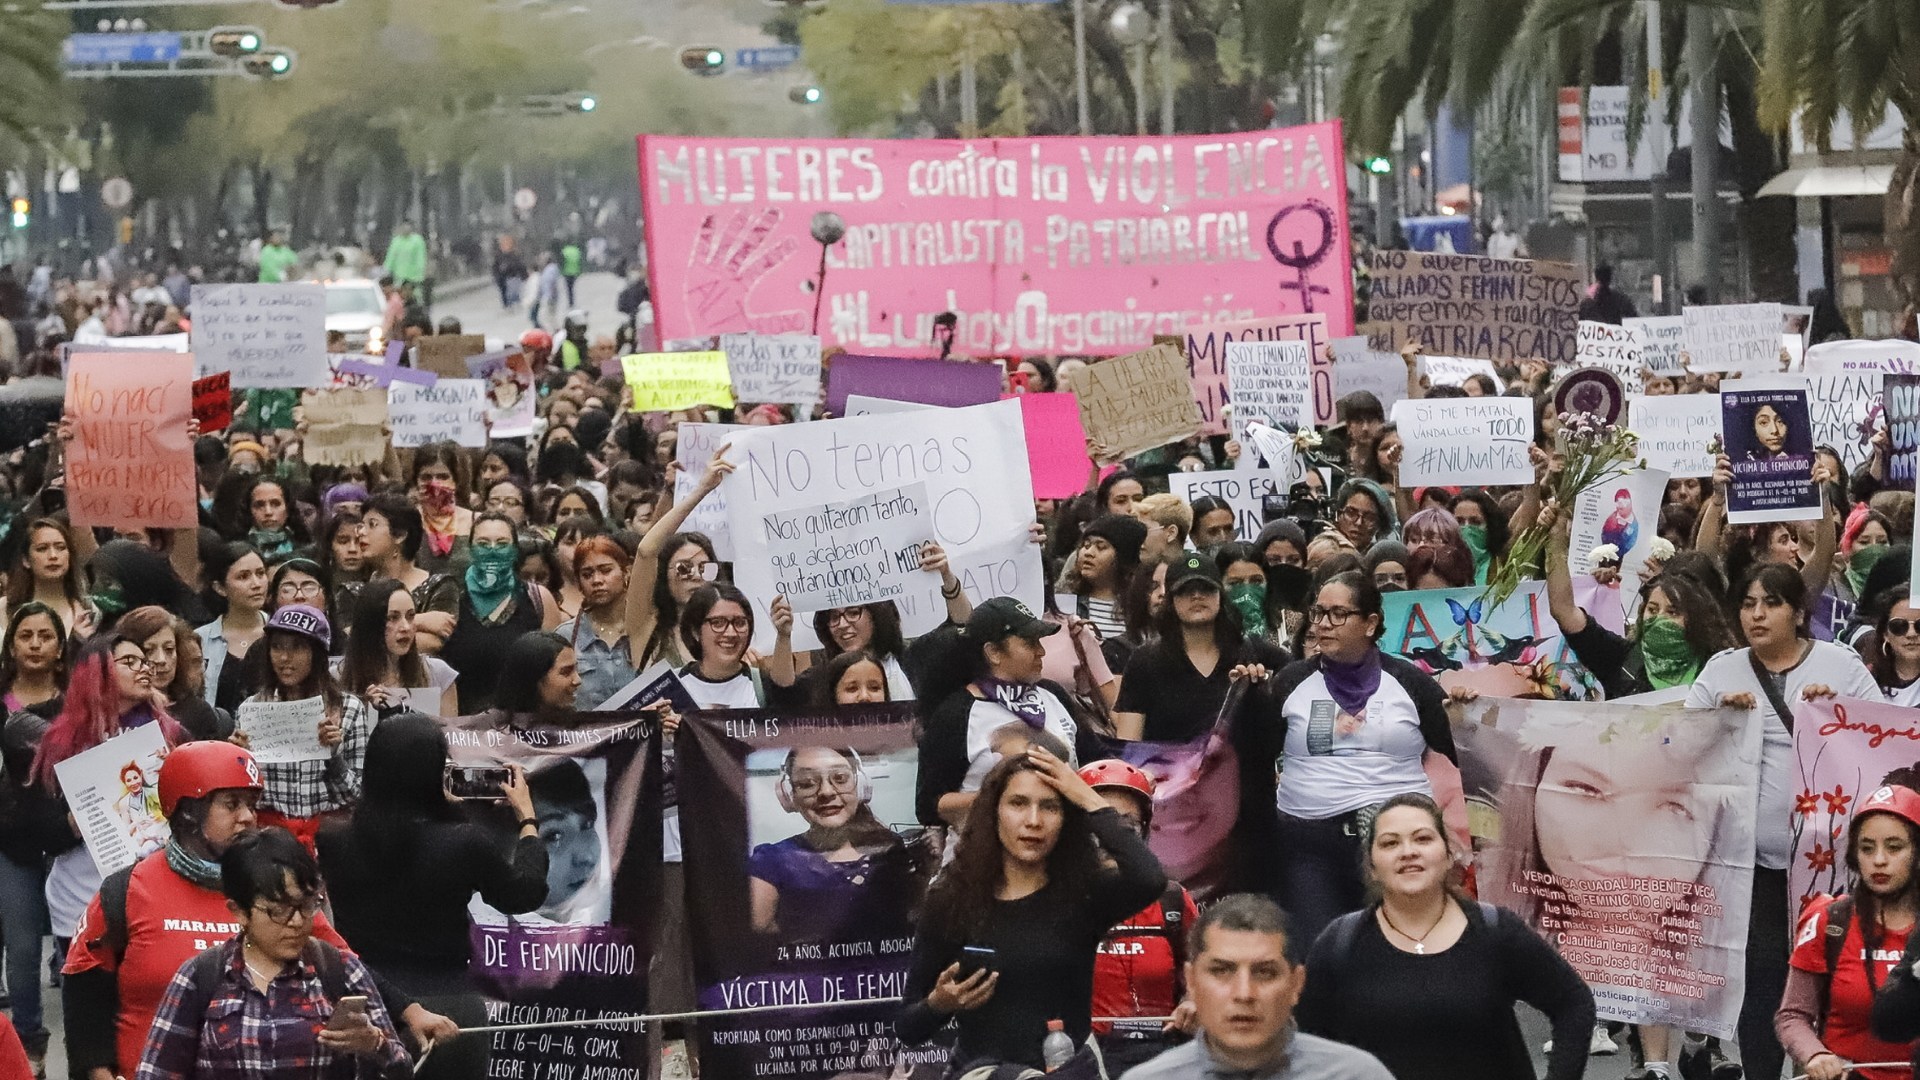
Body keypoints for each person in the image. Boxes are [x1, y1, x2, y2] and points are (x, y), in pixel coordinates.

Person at [1687, 563, 1884, 1080]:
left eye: (1771, 603)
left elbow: (1886, 747)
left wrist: (1839, 713)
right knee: (1762, 980)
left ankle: (1818, 1070)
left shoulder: (1841, 667)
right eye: (1748, 603)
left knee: (1826, 976)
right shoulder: (1720, 671)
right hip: (1751, 867)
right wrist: (1719, 723)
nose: (1757, 614)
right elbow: (1678, 753)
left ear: (1798, 613)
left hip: (1832, 870)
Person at [894, 749, 1167, 1071]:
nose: (1033, 821)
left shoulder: (1085, 892)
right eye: (1018, 803)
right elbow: (907, 1028)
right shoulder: (951, 897)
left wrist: (1089, 799)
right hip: (982, 1072)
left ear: (1067, 817)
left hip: (1070, 1070)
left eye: (1050, 807)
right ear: (993, 811)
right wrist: (940, 1004)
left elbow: (1150, 877)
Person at [1296, 793, 1596, 1080]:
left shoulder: (1495, 931)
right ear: (1371, 866)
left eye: (1423, 838)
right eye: (1390, 843)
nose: (1408, 851)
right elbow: (1307, 1044)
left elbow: (1573, 1003)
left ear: (1449, 854)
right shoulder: (1340, 943)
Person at [317, 714, 547, 1080]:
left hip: (366, 1003)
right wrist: (528, 820)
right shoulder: (463, 842)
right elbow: (524, 893)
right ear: (435, 771)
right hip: (449, 1004)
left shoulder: (332, 839)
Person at [1261, 571, 1458, 947]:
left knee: (1400, 949)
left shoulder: (1409, 681)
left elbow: (1463, 750)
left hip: (1397, 843)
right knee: (1319, 953)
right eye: (1318, 613)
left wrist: (1466, 714)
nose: (1323, 625)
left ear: (1370, 623)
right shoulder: (1289, 682)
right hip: (1311, 843)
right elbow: (1257, 758)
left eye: (1338, 614)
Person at [135, 827, 413, 1080]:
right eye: (278, 910)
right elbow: (156, 1071)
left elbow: (402, 1069)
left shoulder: (339, 970)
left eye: (305, 905)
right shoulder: (201, 976)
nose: (296, 921)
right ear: (239, 912)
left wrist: (375, 1044)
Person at [1121, 893, 1394, 1080]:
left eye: (1264, 973)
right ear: (1191, 982)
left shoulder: (1357, 1075)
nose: (1244, 993)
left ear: (1296, 983)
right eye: (1221, 971)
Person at [31, 637, 189, 949]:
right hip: (80, 896)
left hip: (153, 891)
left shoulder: (170, 733)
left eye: (142, 661)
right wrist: (73, 823)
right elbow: (40, 830)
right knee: (88, 997)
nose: (144, 668)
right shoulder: (62, 742)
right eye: (129, 662)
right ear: (97, 671)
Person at [916, 599, 1103, 830]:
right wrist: (1009, 800)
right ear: (993, 652)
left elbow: (1096, 762)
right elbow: (929, 806)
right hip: (982, 857)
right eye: (1029, 642)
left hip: (1064, 851)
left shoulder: (1054, 695)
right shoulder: (955, 714)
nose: (1041, 651)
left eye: (1040, 641)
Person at [1777, 782, 1920, 1080]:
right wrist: (1815, 1054)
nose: (1879, 860)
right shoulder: (1829, 919)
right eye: (1867, 848)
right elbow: (1792, 1016)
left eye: (1894, 847)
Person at [1077, 760, 1200, 1071]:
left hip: (1163, 1055)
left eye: (1124, 826)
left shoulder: (1171, 900)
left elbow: (1205, 968)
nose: (1108, 839)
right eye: (1098, 823)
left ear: (1144, 830)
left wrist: (1193, 1000)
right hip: (1082, 1057)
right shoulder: (1056, 901)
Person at [234, 605, 375, 845]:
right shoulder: (252, 710)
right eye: (277, 647)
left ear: (317, 653)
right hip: (270, 840)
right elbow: (245, 800)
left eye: (297, 647)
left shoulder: (349, 708)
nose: (284, 658)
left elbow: (357, 796)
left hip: (330, 839)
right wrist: (238, 760)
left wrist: (333, 756)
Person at [747, 745, 918, 943]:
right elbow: (757, 936)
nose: (826, 792)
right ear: (788, 794)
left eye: (840, 779)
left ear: (861, 785)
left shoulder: (891, 850)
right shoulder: (770, 859)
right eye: (807, 783)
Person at [1113, 552, 1287, 743]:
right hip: (1168, 772)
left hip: (1241, 771)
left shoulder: (1256, 653)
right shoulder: (1144, 661)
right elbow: (1129, 745)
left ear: (1220, 595)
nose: (1197, 596)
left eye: (1206, 588)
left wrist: (1263, 694)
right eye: (1186, 590)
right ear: (1171, 600)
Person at [439, 513, 561, 714]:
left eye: (502, 543)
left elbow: (556, 670)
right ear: (470, 548)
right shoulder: (449, 596)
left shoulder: (538, 598)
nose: (493, 551)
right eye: (483, 543)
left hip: (526, 733)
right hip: (464, 734)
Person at [335, 580, 459, 718]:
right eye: (393, 618)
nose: (406, 627)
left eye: (411, 616)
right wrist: (360, 709)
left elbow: (451, 736)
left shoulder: (438, 673)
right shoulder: (336, 678)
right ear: (370, 623)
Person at [359, 494, 461, 655]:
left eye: (372, 524)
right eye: (361, 525)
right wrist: (420, 621)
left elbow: (431, 643)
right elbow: (354, 643)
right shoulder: (354, 590)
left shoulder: (440, 585)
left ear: (400, 535)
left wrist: (370, 630)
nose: (361, 532)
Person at [553, 536, 640, 709]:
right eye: (587, 574)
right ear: (579, 583)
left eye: (606, 570)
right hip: (584, 734)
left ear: (626, 572)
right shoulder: (565, 637)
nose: (597, 580)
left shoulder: (646, 629)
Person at [196, 542, 270, 713]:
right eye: (243, 577)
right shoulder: (199, 639)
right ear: (220, 588)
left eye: (260, 574)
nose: (256, 584)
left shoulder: (282, 633)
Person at [1058, 514, 1147, 642]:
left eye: (1101, 547)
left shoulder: (1141, 605)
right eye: (1086, 545)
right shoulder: (1065, 596)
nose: (1088, 553)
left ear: (1124, 558)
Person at [4, 517, 97, 639]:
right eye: (42, 548)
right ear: (26, 560)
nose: (53, 556)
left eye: (60, 547)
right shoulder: (4, 610)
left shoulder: (89, 610)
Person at [385, 220, 428, 290]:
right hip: (399, 276)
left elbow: (420, 257)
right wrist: (386, 270)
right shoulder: (396, 241)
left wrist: (420, 273)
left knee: (413, 297)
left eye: (408, 226)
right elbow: (391, 257)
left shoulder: (417, 240)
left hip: (413, 277)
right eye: (403, 226)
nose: (406, 228)